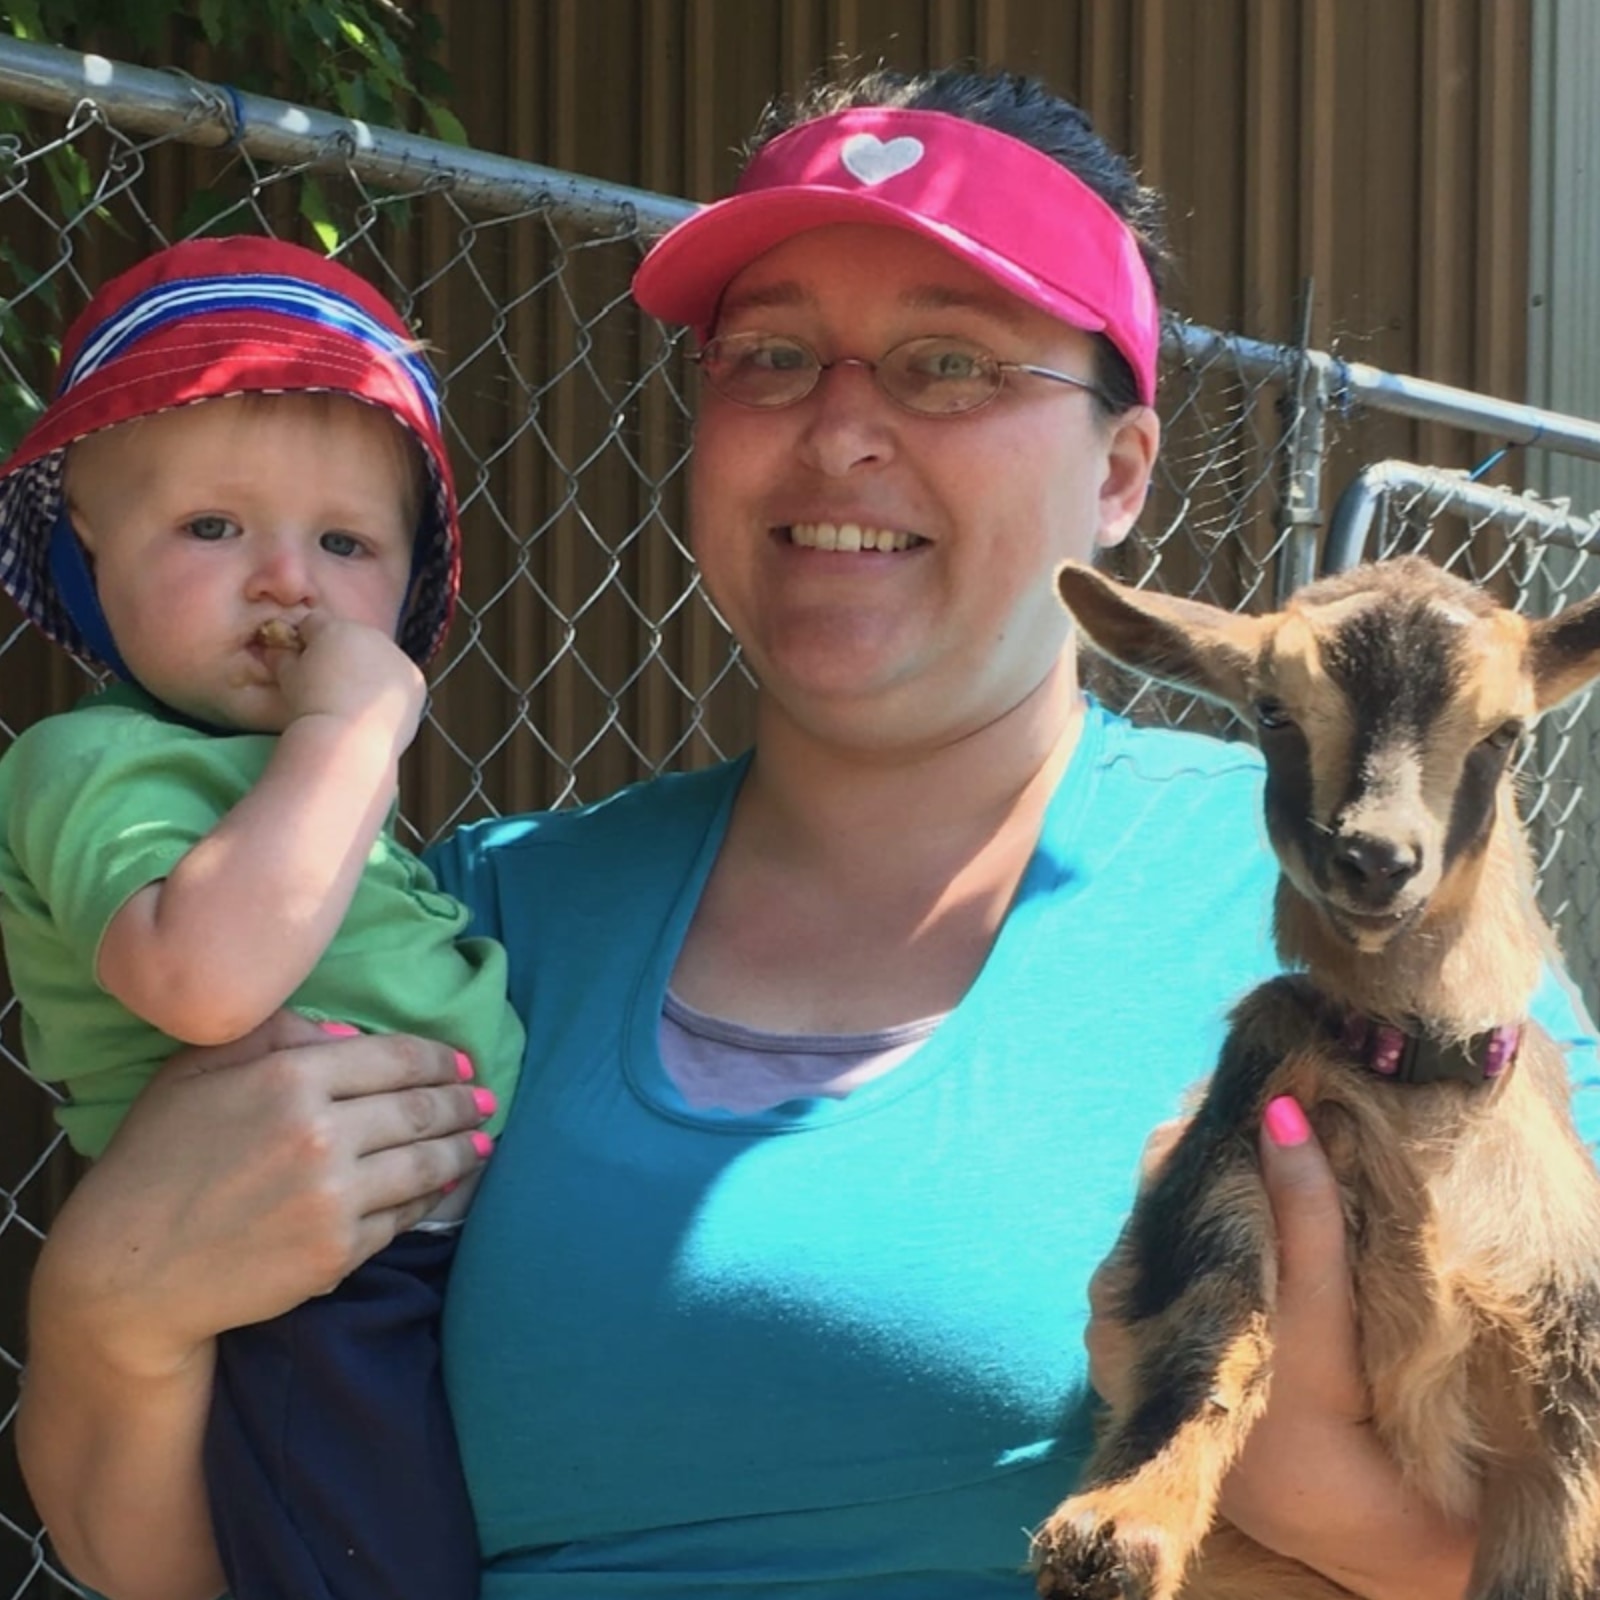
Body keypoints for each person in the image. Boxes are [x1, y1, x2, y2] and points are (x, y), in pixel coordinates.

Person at [15, 67, 1598, 1600]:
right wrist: (111, 1310)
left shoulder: (1370, 945)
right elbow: (193, 1559)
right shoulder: (476, 929)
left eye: (950, 363)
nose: (839, 432)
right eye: (770, 357)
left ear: (1120, 471)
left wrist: (1284, 1483)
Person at [0, 237, 520, 1600]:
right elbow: (209, 981)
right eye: (212, 528)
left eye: (345, 543)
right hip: (302, 1287)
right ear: (91, 546)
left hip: (436, 1255)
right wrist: (352, 732)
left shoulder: (295, 776)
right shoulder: (95, 764)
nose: (287, 581)